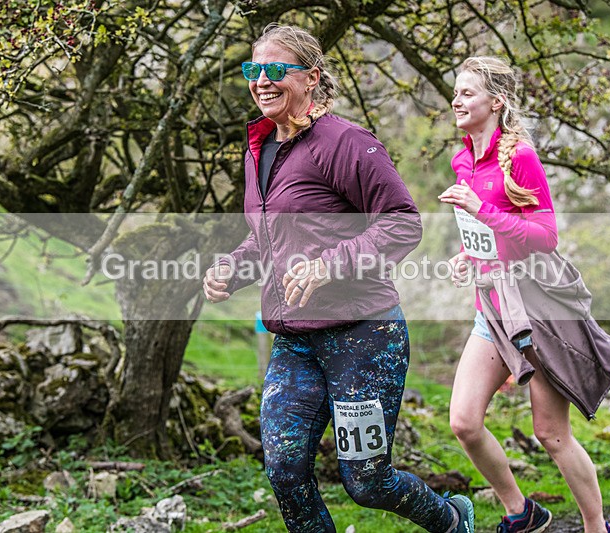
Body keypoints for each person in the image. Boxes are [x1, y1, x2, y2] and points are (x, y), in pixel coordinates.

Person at [203, 23, 474, 533]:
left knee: (367, 481)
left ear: (312, 78)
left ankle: (451, 520)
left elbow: (402, 222)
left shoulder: (346, 143)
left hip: (363, 337)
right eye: (253, 69)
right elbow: (266, 241)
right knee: (284, 469)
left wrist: (331, 265)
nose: (262, 80)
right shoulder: (258, 149)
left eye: (277, 70)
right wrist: (230, 270)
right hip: (296, 342)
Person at [439, 56, 610, 533]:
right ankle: (522, 512)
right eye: (455, 92)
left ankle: (596, 527)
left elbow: (545, 235)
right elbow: (484, 231)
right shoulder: (463, 158)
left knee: (551, 433)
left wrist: (483, 211)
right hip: (491, 310)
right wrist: (468, 254)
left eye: (467, 92)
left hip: (535, 309)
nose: (456, 100)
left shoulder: (518, 155)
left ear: (495, 102)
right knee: (463, 421)